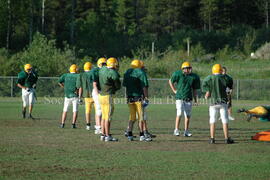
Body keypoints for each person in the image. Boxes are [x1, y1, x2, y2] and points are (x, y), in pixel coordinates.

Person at [202, 64, 234, 144]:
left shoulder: (209, 78)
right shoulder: (225, 78)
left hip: (213, 102)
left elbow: (204, 83)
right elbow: (230, 82)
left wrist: (208, 91)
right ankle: (226, 138)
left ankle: (212, 139)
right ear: (221, 70)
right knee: (225, 120)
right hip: (223, 102)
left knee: (212, 120)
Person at [169, 61, 200, 137]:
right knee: (179, 113)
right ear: (183, 69)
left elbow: (195, 89)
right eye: (187, 68)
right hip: (179, 97)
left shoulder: (194, 76)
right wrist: (174, 90)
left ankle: (186, 131)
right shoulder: (178, 74)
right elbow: (170, 81)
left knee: (188, 115)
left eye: (189, 68)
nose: (189, 70)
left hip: (188, 97)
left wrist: (196, 100)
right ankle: (176, 130)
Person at [123, 59, 152, 142]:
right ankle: (142, 135)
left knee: (132, 117)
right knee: (141, 117)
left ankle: (129, 134)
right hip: (138, 97)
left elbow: (125, 86)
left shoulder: (127, 72)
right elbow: (144, 87)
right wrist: (146, 98)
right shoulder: (140, 72)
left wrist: (126, 97)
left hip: (129, 97)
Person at [98, 57, 121, 142]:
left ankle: (103, 134)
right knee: (108, 117)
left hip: (101, 95)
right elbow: (116, 80)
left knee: (104, 116)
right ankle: (107, 136)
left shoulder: (102, 69)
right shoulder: (112, 72)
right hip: (108, 96)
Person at [76, 62, 99, 132]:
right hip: (94, 94)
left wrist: (79, 97)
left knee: (87, 111)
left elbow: (79, 87)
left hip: (86, 96)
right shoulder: (93, 73)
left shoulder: (81, 75)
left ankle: (88, 125)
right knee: (97, 111)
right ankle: (97, 125)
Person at [58, 64, 80, 128]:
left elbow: (59, 81)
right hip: (75, 95)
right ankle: (73, 124)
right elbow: (79, 86)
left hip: (67, 95)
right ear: (75, 69)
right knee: (75, 110)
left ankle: (62, 124)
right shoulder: (78, 75)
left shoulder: (65, 75)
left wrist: (64, 87)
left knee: (65, 110)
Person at [92, 57, 107, 134]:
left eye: (105, 64)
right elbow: (94, 84)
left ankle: (99, 126)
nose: (104, 65)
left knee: (101, 110)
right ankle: (98, 128)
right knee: (99, 110)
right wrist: (97, 94)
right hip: (97, 91)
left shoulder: (105, 71)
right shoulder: (96, 71)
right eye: (103, 64)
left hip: (103, 91)